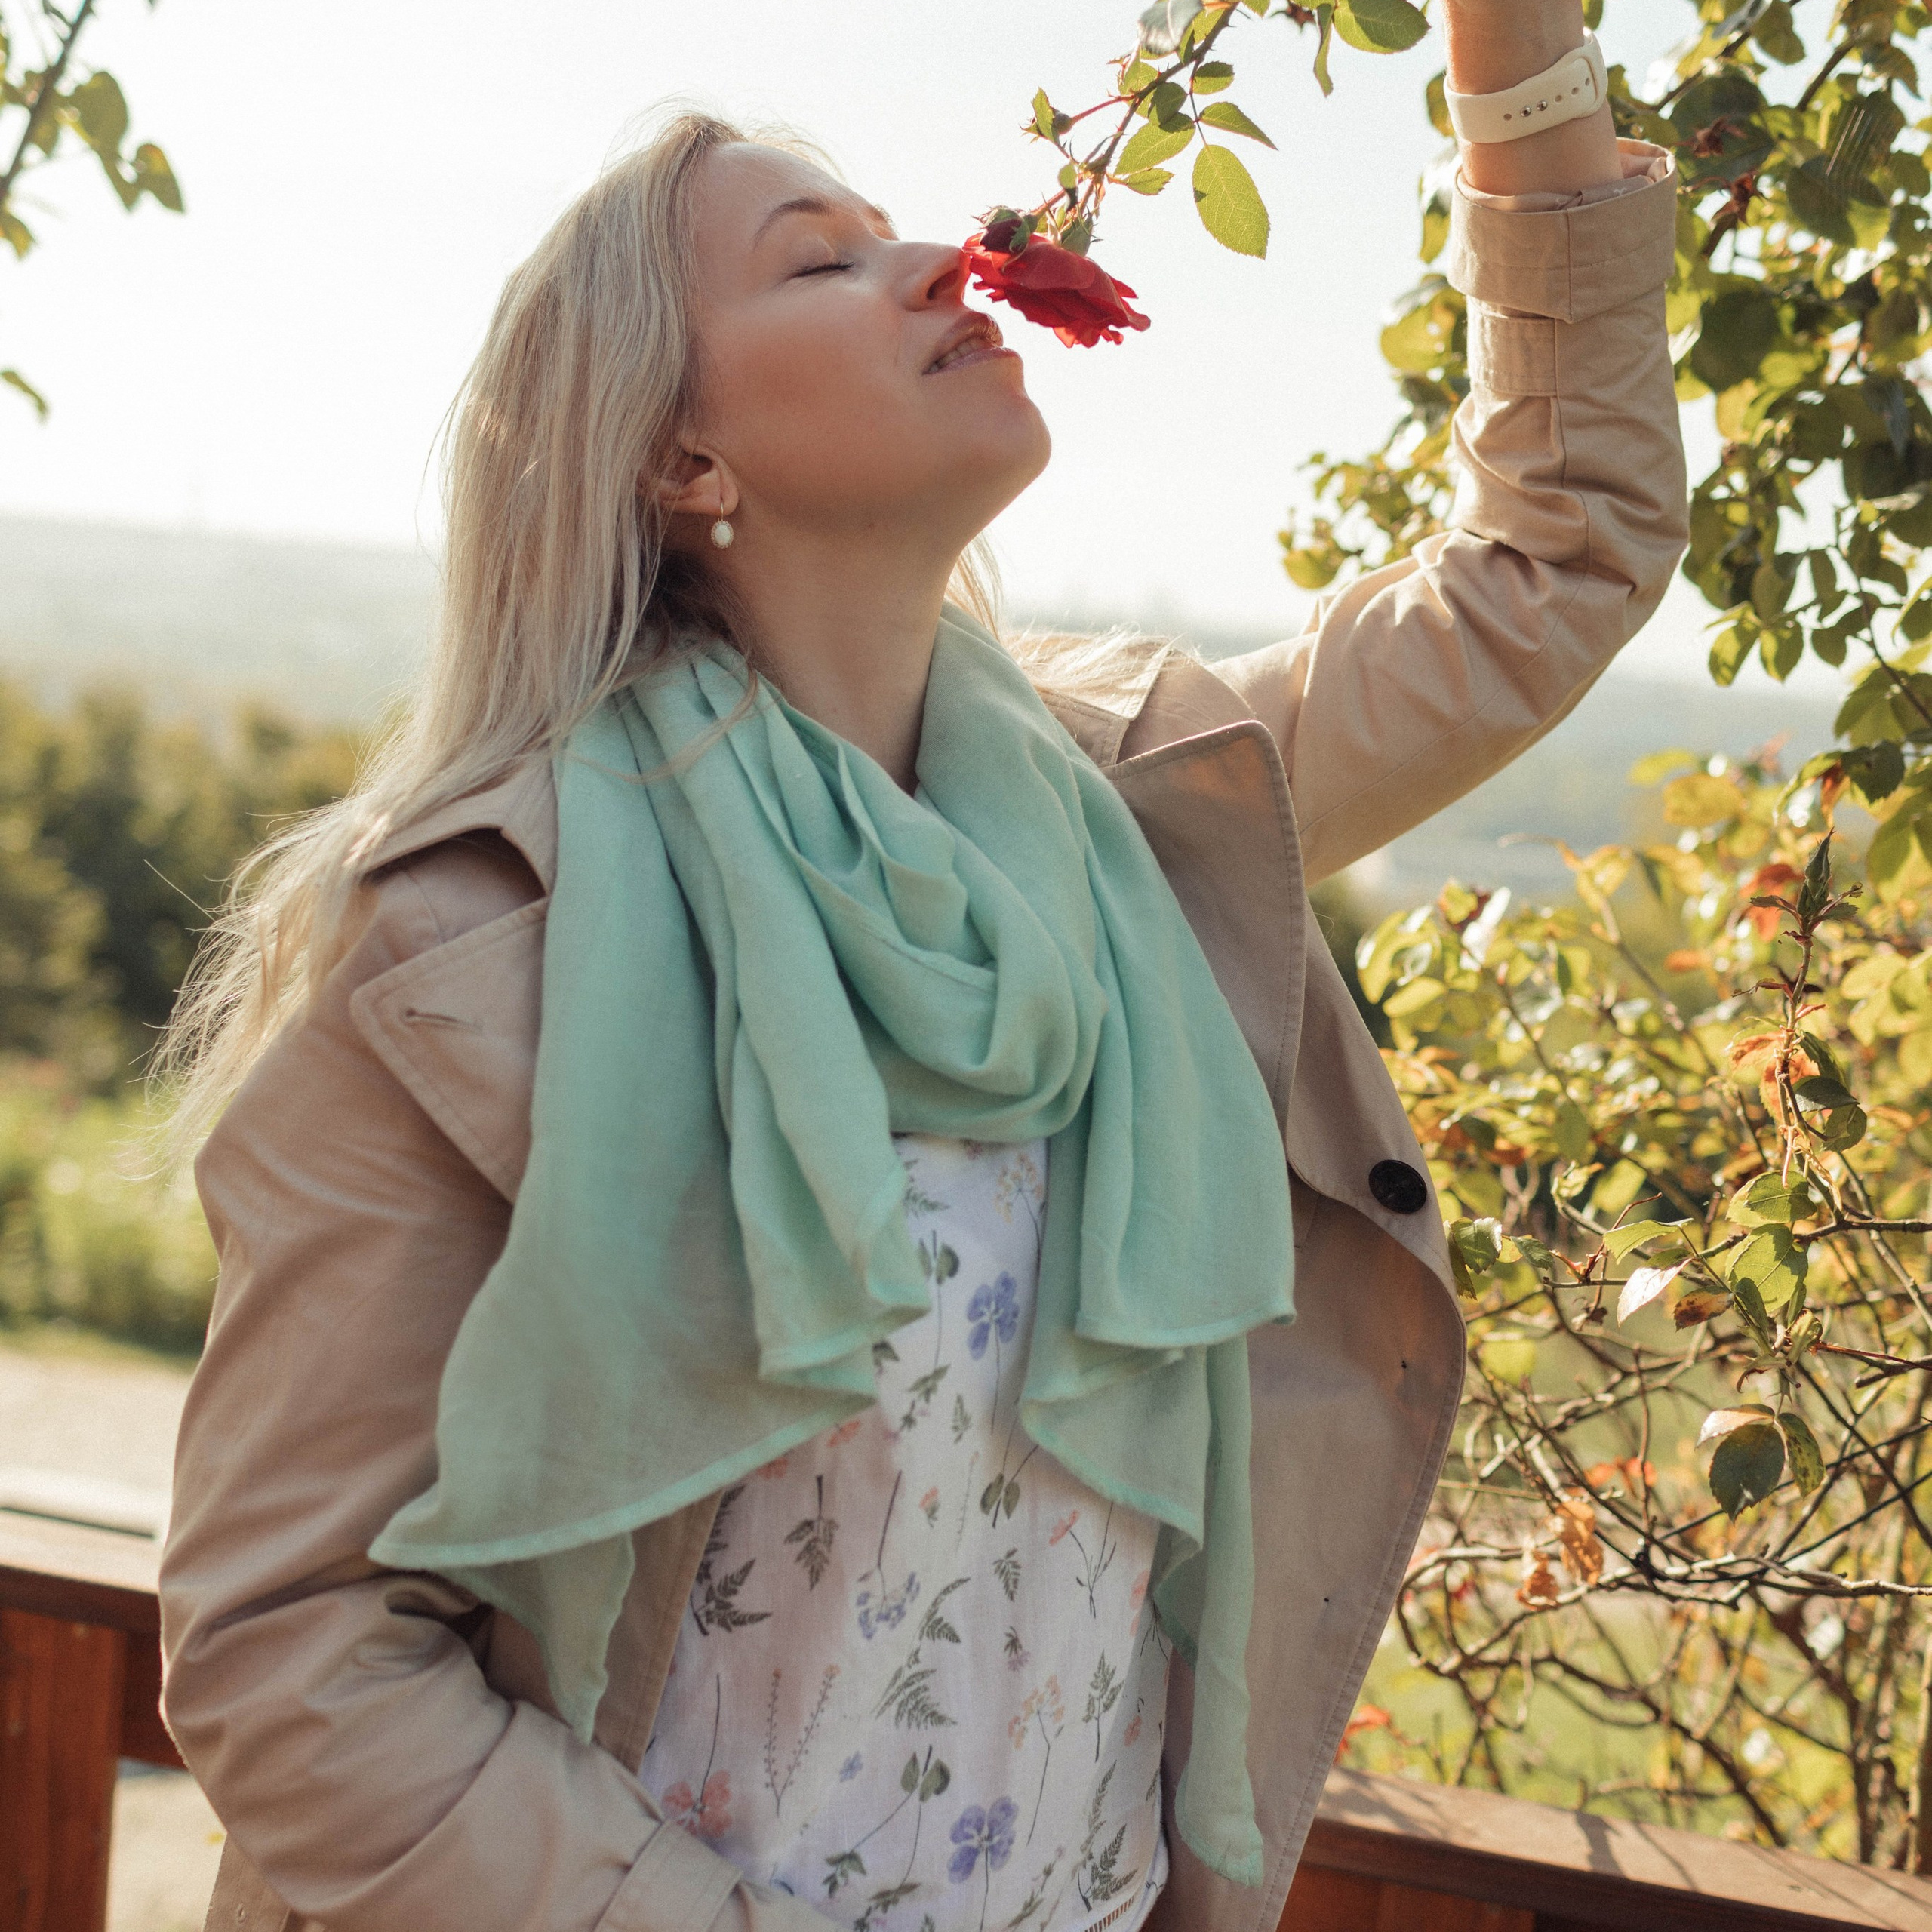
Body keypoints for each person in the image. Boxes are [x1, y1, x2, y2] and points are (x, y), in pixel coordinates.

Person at [156, 4, 1687, 1928]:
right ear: (677, 450)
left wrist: (1509, 44)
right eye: (819, 259)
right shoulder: (474, 942)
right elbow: (288, 1650)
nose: (940, 262)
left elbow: (1557, 547)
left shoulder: (1142, 815)